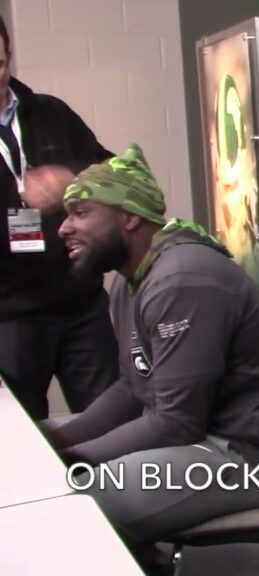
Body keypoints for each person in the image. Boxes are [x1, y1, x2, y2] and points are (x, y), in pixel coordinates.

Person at [46, 144, 259, 560]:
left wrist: (72, 458)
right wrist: (61, 437)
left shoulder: (182, 279)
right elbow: (132, 387)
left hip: (244, 457)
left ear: (129, 216)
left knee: (68, 500)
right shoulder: (130, 281)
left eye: (81, 213)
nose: (63, 229)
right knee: (50, 453)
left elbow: (177, 422)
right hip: (194, 438)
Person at [0, 14, 118, 420]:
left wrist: (69, 177)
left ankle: (115, 487)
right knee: (20, 438)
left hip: (80, 303)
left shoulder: (49, 112)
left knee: (109, 424)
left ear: (9, 55)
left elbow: (115, 173)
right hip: (9, 316)